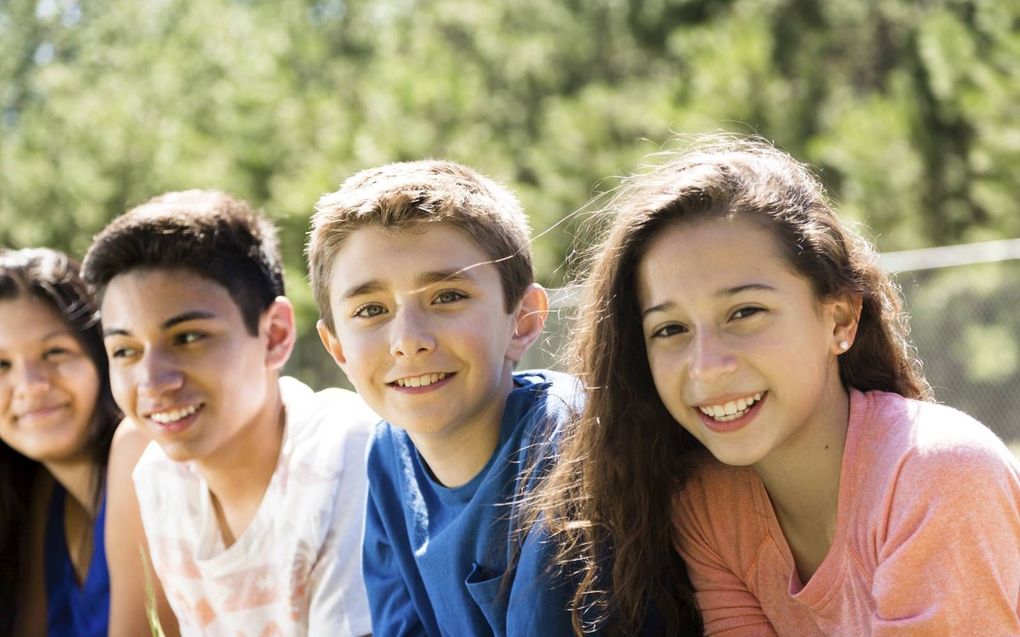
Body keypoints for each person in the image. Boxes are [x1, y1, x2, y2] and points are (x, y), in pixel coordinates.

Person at [536, 136, 1020, 636]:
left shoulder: (939, 473)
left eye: (745, 312)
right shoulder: (710, 505)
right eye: (670, 329)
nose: (706, 367)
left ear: (839, 319)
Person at [82, 190, 376, 636]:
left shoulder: (347, 455)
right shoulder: (160, 477)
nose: (153, 381)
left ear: (274, 335)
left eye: (188, 338)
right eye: (124, 350)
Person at [308, 159, 580, 636]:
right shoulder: (389, 454)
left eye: (447, 297)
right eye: (371, 309)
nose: (408, 339)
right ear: (338, 350)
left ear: (523, 320)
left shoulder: (567, 443)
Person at [0, 248, 118, 637]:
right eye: (2, 365)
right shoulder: (45, 494)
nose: (31, 386)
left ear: (100, 355)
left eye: (54, 352)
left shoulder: (137, 459)